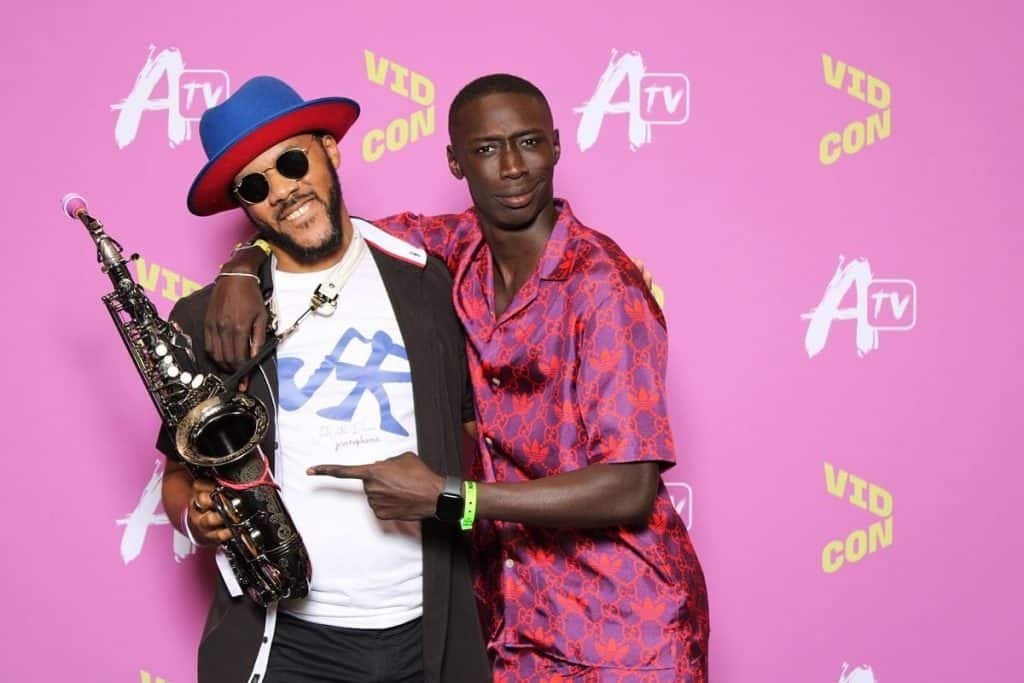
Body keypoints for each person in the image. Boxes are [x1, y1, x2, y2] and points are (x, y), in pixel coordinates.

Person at [212, 74, 710, 682]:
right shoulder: (452, 246)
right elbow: (321, 227)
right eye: (485, 149)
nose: (512, 168)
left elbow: (631, 488)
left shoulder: (603, 286)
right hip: (515, 622)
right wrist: (242, 265)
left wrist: (451, 497)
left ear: (556, 145)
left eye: (528, 143)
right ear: (455, 160)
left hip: (624, 621)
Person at [157, 75, 489, 683]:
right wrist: (193, 516)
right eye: (255, 185)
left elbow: (477, 442)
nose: (283, 191)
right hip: (286, 642)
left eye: (291, 162)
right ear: (244, 206)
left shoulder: (427, 283)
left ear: (330, 149)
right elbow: (179, 476)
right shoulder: (209, 318)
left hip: (429, 630)